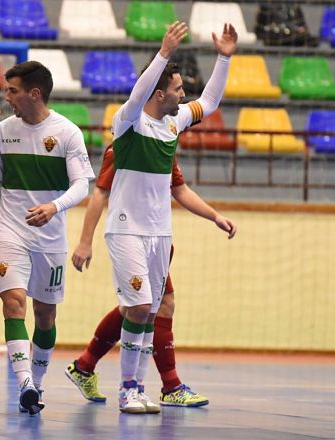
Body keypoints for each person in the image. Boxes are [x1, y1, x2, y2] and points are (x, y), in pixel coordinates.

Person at [104, 21, 237, 414]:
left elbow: (209, 103)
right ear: (160, 93)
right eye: (178, 89)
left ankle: (138, 387)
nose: (184, 95)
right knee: (141, 306)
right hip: (126, 229)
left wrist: (224, 59)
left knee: (149, 313)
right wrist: (163, 52)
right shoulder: (128, 122)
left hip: (160, 234)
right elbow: (137, 94)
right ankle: (127, 389)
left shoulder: (172, 124)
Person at [65, 145, 236, 408]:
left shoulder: (165, 141)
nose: (181, 101)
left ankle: (86, 366)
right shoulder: (124, 144)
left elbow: (179, 188)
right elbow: (100, 192)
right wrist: (85, 241)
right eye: (178, 98)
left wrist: (214, 216)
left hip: (157, 239)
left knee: (145, 306)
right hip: (130, 236)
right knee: (143, 306)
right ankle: (162, 385)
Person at [0, 61, 95, 415]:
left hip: (49, 238)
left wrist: (53, 207)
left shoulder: (67, 133)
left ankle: (38, 385)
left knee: (45, 315)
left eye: (12, 91)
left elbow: (82, 185)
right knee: (13, 302)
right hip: (10, 230)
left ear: (34, 93)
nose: (6, 97)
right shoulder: (3, 131)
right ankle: (25, 381)